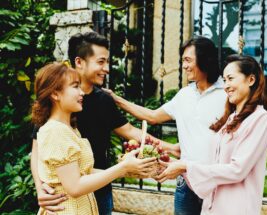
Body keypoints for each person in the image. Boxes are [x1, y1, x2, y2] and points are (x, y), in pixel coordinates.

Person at [30, 32, 177, 215]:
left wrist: (170, 149)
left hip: (99, 191)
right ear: (79, 62)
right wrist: (40, 186)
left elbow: (131, 131)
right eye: (100, 62)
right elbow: (38, 151)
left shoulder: (99, 103)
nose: (107, 68)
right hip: (66, 200)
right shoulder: (55, 119)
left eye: (107, 62)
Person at [105, 36, 227, 215]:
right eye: (183, 60)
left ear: (205, 59)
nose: (184, 66)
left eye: (188, 60)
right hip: (186, 183)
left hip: (216, 182)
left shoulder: (226, 94)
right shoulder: (184, 95)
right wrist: (116, 99)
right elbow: (152, 116)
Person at [157, 54, 267, 215]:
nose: (226, 86)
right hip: (212, 207)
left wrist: (185, 166)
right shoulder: (231, 119)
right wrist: (178, 167)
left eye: (231, 78)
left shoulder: (260, 118)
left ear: (251, 80)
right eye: (224, 80)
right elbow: (213, 166)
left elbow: (237, 170)